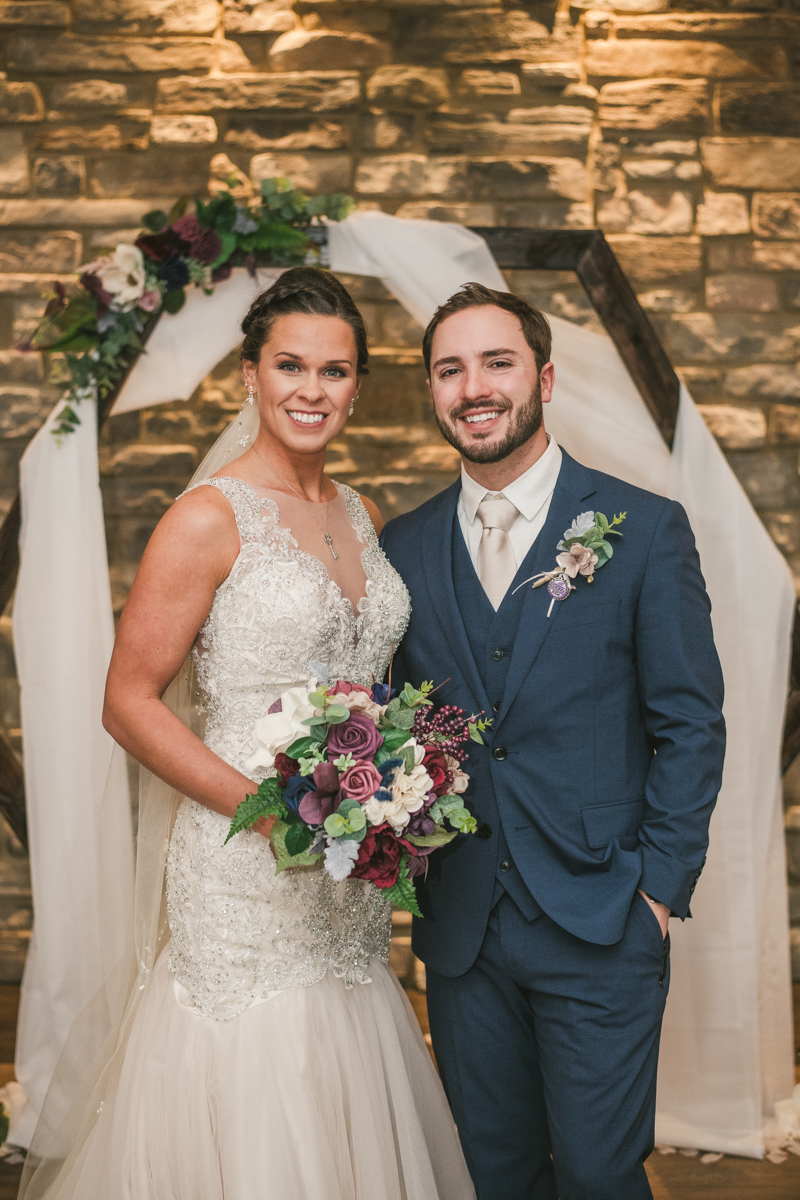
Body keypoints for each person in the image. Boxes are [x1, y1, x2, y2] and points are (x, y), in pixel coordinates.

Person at [19, 268, 475, 1200]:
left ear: (359, 385)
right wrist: (273, 813)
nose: (313, 391)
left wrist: (391, 784)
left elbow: (369, 688)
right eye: (291, 366)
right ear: (251, 377)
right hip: (246, 858)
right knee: (259, 1071)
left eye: (336, 371)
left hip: (344, 874)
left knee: (345, 1051)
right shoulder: (206, 518)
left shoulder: (361, 512)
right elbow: (129, 700)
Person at [380, 282, 726, 1200]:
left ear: (544, 374)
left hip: (601, 917)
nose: (474, 386)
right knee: (495, 1174)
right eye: (450, 369)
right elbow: (400, 721)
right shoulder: (403, 547)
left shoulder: (644, 530)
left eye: (497, 362)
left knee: (598, 1174)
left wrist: (657, 890)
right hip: (461, 932)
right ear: (433, 391)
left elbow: (689, 721)